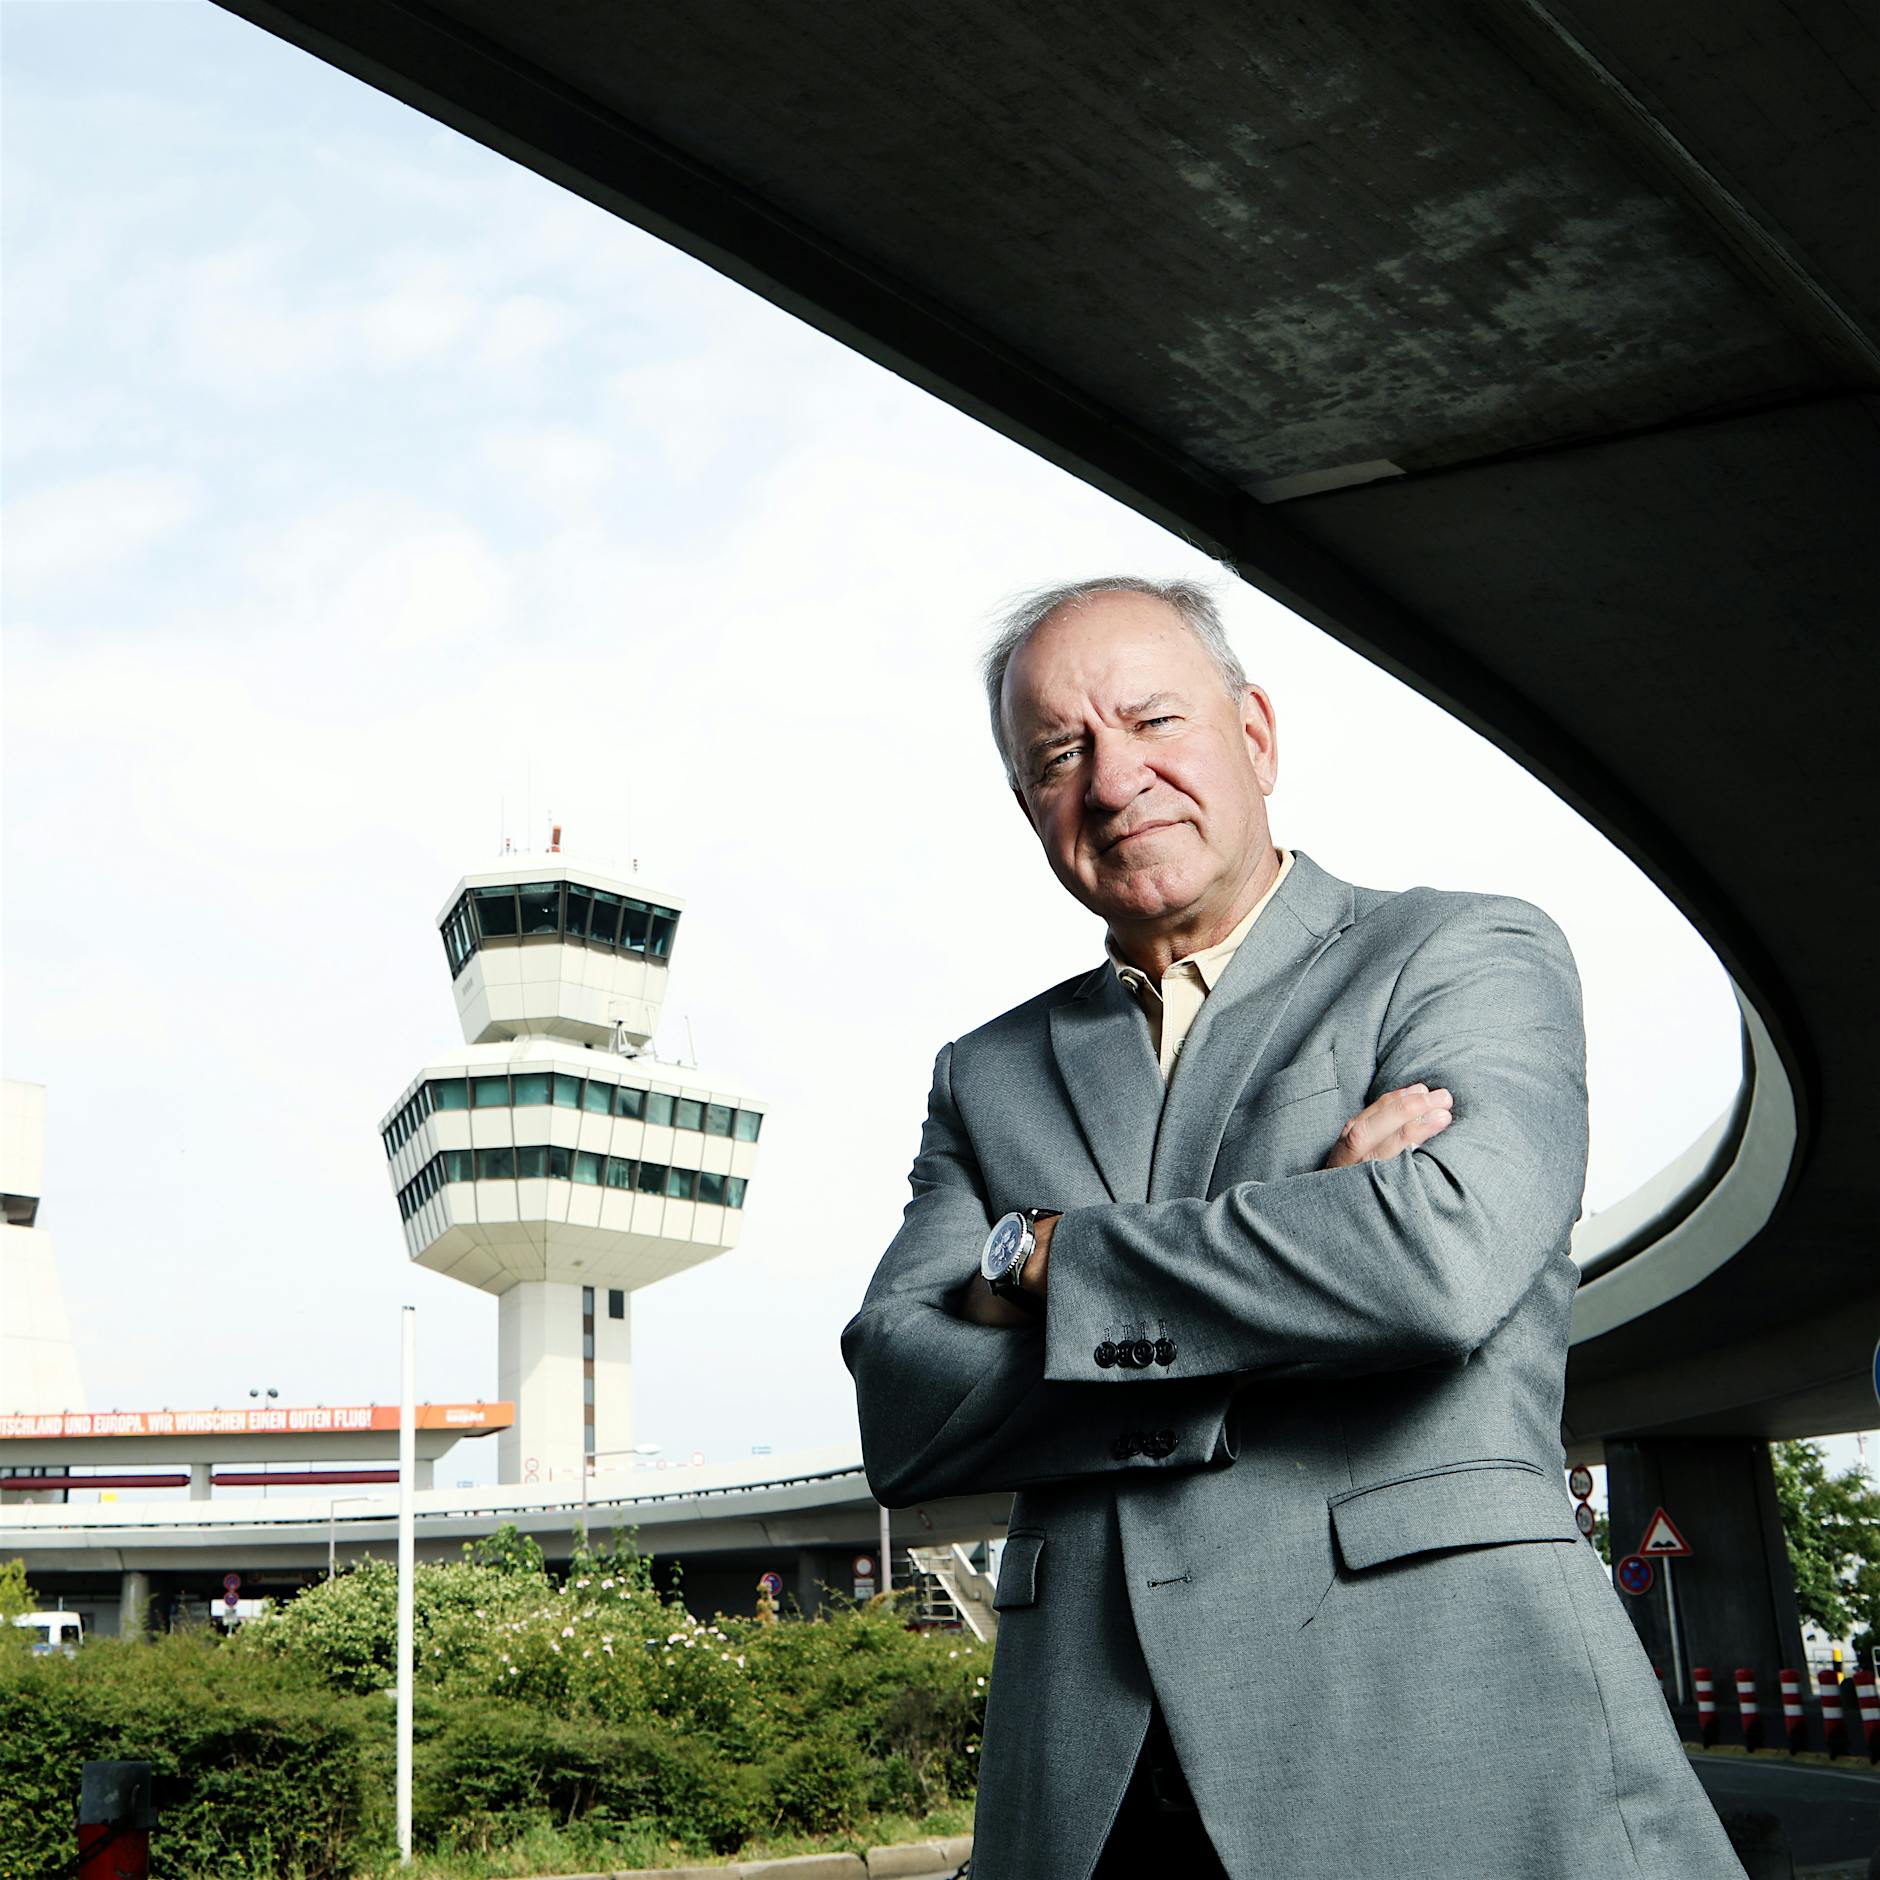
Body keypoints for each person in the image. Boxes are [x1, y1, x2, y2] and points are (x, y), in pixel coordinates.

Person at [840, 576, 1744, 1879]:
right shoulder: (988, 1072)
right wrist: (1309, 1237)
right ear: (1030, 804)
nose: (1115, 780)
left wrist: (1042, 1261)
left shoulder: (1458, 953)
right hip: (1089, 1798)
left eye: (1155, 721)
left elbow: (1436, 1265)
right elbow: (903, 1409)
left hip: (1442, 1745)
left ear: (1255, 735)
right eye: (1060, 755)